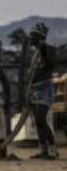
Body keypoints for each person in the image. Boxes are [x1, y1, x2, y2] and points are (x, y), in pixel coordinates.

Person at [27, 22, 58, 159]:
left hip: (44, 88)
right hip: (34, 89)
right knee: (37, 121)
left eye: (32, 35)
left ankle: (53, 150)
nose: (30, 38)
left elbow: (51, 66)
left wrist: (44, 52)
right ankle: (43, 149)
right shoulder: (34, 53)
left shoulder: (49, 49)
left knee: (40, 119)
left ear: (39, 36)